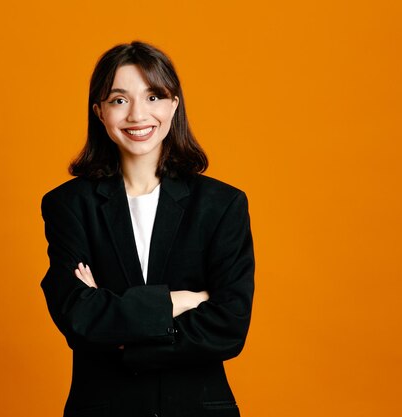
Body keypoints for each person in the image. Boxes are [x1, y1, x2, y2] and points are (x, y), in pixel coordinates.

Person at [40, 41, 255, 417]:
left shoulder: (222, 205)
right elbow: (77, 319)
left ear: (174, 105)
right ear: (100, 112)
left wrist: (119, 329)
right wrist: (182, 301)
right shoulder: (68, 205)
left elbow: (229, 327)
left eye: (154, 96)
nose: (138, 114)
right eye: (119, 100)